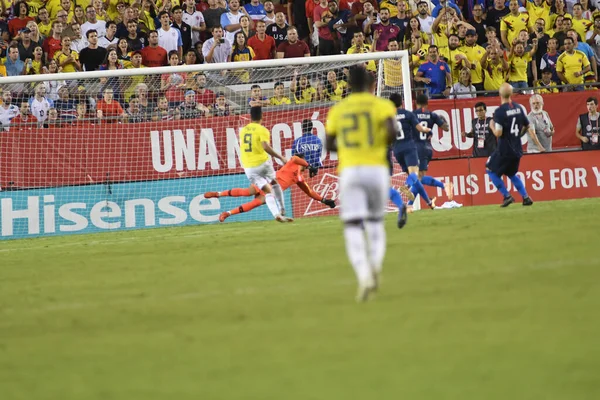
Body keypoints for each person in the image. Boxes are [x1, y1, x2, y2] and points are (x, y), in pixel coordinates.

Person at [325, 67, 399, 302]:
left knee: (353, 226)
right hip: (376, 169)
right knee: (376, 222)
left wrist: (349, 148)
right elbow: (391, 133)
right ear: (370, 85)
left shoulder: (338, 110)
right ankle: (376, 264)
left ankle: (364, 274)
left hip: (349, 171)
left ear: (348, 86)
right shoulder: (381, 105)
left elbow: (328, 144)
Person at [205, 155, 335, 222]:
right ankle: (218, 194)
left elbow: (310, 192)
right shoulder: (293, 163)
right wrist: (309, 165)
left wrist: (324, 200)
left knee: (255, 203)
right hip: (267, 181)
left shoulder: (300, 179)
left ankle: (227, 213)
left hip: (271, 192)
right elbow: (295, 158)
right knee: (247, 192)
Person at [238, 106, 291, 223]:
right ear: (262, 115)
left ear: (250, 117)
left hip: (249, 168)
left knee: (267, 191)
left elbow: (242, 146)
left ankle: (276, 214)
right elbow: (265, 147)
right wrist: (281, 157)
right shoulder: (262, 130)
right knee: (274, 182)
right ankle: (282, 208)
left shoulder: (243, 130)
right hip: (262, 163)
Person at [487, 83, 533, 207]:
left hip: (504, 149)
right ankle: (526, 197)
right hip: (517, 148)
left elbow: (498, 133)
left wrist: (491, 125)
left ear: (500, 94)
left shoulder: (500, 111)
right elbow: (527, 126)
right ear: (511, 93)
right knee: (511, 174)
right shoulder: (519, 107)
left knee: (490, 170)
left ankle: (507, 196)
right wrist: (517, 136)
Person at [389, 92, 436, 212]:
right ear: (402, 102)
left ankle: (429, 203)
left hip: (397, 149)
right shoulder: (408, 114)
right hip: (409, 147)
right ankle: (406, 186)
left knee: (414, 179)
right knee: (414, 176)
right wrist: (427, 129)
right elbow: (420, 128)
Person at [413, 94, 453, 201]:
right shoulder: (432, 115)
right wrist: (443, 121)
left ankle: (444, 185)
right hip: (428, 149)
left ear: (415, 103)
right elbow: (446, 128)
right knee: (419, 179)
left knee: (417, 178)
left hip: (417, 148)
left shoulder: (412, 115)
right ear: (427, 103)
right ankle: (411, 204)